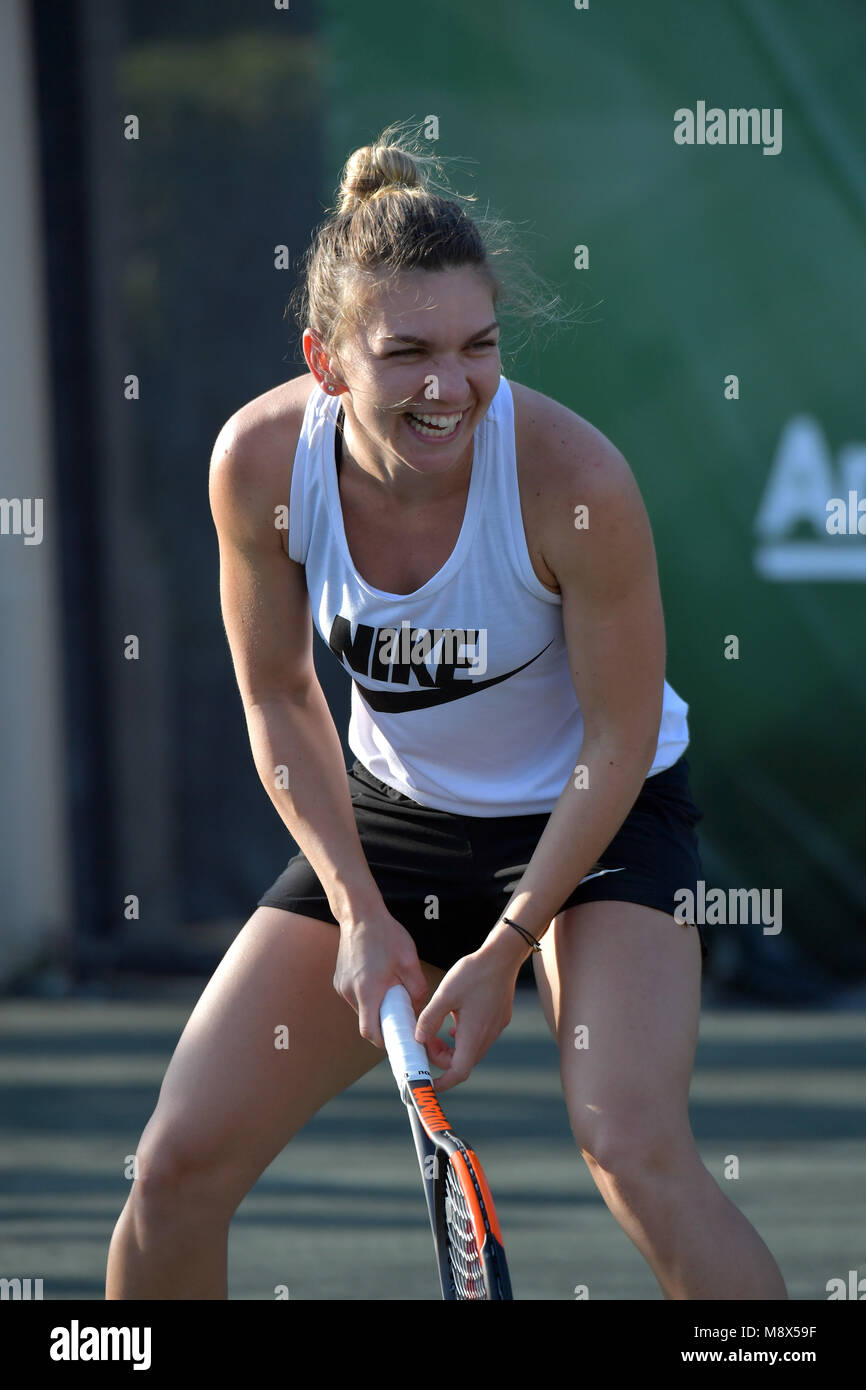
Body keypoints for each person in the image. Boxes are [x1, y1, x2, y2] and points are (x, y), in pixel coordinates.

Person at [105, 134, 787, 1300]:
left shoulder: (575, 482)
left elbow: (618, 738)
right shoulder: (259, 465)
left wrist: (508, 942)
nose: (450, 385)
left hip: (596, 821)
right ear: (325, 361)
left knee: (630, 1145)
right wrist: (363, 913)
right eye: (406, 351)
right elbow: (280, 698)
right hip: (394, 818)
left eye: (478, 347)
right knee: (173, 1169)